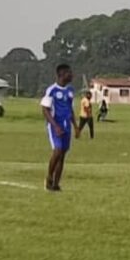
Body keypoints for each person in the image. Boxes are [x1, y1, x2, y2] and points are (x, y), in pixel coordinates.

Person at [41, 63, 77, 192]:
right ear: (62, 75)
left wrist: (76, 126)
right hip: (55, 125)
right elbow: (45, 109)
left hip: (67, 126)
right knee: (57, 150)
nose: (72, 75)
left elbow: (70, 109)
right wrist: (55, 125)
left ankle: (56, 184)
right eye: (69, 73)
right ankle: (49, 177)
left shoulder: (70, 90)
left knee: (62, 155)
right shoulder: (52, 90)